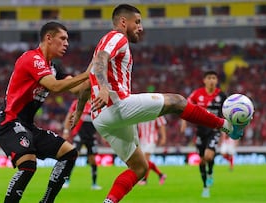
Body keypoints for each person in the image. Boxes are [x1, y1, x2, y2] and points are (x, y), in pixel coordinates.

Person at [71, 4, 245, 203]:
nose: (140, 27)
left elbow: (86, 81)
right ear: (123, 22)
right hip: (116, 105)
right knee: (178, 101)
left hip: (101, 118)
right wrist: (103, 87)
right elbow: (101, 60)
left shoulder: (104, 45)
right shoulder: (116, 37)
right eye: (137, 22)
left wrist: (78, 112)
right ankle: (227, 126)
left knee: (140, 168)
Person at [0, 22, 91, 203]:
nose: (67, 43)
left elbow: (77, 89)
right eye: (62, 38)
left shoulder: (54, 67)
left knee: (69, 153)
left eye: (67, 40)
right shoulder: (32, 58)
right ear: (48, 38)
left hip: (27, 126)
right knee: (28, 164)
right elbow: (54, 86)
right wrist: (88, 73)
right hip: (9, 122)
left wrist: (98, 77)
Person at [180, 70, 227, 198]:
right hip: (200, 131)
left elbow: (228, 112)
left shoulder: (222, 96)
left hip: (214, 130)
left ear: (217, 81)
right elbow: (186, 107)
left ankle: (210, 172)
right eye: (209, 78)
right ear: (204, 80)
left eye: (214, 78)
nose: (212, 80)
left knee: (209, 156)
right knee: (201, 161)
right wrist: (184, 122)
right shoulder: (197, 94)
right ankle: (205, 187)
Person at [61, 99, 102, 190]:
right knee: (74, 156)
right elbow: (69, 116)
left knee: (93, 160)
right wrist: (66, 131)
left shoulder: (97, 103)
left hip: (91, 136)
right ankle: (66, 180)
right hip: (79, 134)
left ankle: (94, 184)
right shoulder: (77, 102)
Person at [137, 116, 167, 185]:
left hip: (151, 138)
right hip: (142, 140)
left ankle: (144, 180)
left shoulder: (156, 110)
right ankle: (161, 175)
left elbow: (162, 124)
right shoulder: (140, 109)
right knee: (144, 160)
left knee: (146, 159)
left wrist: (163, 137)